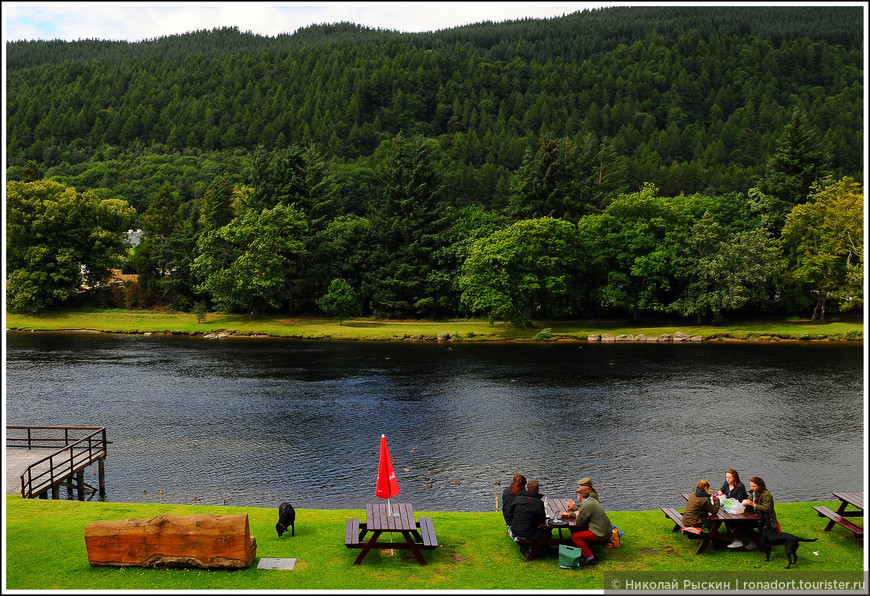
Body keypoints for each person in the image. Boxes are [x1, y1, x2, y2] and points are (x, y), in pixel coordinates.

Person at [558, 484, 612, 565]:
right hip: (607, 531)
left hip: (600, 533)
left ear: (579, 496)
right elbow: (581, 513)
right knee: (575, 530)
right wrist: (569, 515)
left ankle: (590, 557)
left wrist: (573, 513)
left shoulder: (586, 505)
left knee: (575, 536)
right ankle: (586, 548)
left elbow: (580, 521)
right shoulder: (592, 501)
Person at [505, 480, 546, 553]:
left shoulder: (518, 499)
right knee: (547, 533)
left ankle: (526, 546)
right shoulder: (538, 503)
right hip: (529, 533)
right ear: (538, 491)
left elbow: (510, 514)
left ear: (527, 489)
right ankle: (533, 549)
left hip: (515, 531)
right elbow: (542, 520)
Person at [742, 476, 778, 550]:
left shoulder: (766, 495)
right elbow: (750, 498)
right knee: (742, 522)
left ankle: (756, 541)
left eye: (754, 486)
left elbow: (767, 509)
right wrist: (746, 502)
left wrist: (753, 504)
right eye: (751, 486)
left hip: (766, 520)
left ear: (760, 486)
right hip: (757, 516)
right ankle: (739, 537)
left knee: (746, 523)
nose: (752, 488)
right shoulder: (754, 492)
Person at [717, 468, 748, 549]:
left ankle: (737, 538)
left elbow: (739, 499)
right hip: (729, 506)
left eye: (729, 478)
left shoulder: (740, 486)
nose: (727, 479)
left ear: (734, 477)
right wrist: (720, 492)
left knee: (733, 519)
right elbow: (721, 490)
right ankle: (731, 534)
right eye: (726, 477)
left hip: (739, 508)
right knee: (724, 516)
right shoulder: (726, 483)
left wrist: (726, 498)